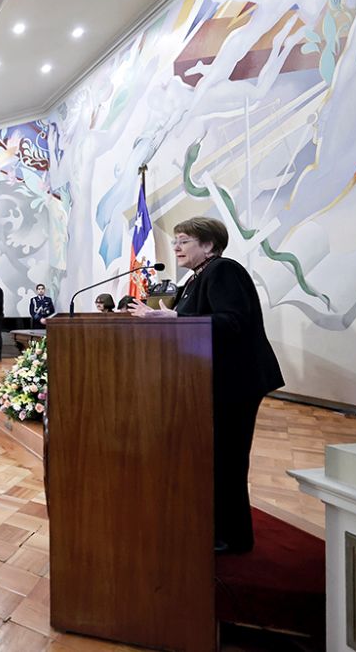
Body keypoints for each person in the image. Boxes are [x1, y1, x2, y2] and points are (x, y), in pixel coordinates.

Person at [128, 216, 284, 554]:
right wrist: (164, 320)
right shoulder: (196, 278)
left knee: (227, 457)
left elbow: (232, 322)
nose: (176, 247)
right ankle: (216, 527)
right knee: (212, 457)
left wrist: (174, 318)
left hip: (235, 382)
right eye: (175, 241)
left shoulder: (223, 270)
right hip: (208, 381)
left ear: (209, 245)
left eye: (184, 240)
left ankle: (234, 537)